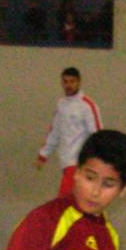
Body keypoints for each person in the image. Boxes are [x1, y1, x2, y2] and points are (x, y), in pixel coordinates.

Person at [35, 67, 102, 199]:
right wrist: (43, 155)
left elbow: (98, 135)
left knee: (63, 204)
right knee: (73, 205)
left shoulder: (87, 105)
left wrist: (97, 163)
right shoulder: (61, 104)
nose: (68, 85)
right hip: (66, 165)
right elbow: (54, 131)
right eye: (65, 82)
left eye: (72, 81)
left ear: (79, 82)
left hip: (79, 164)